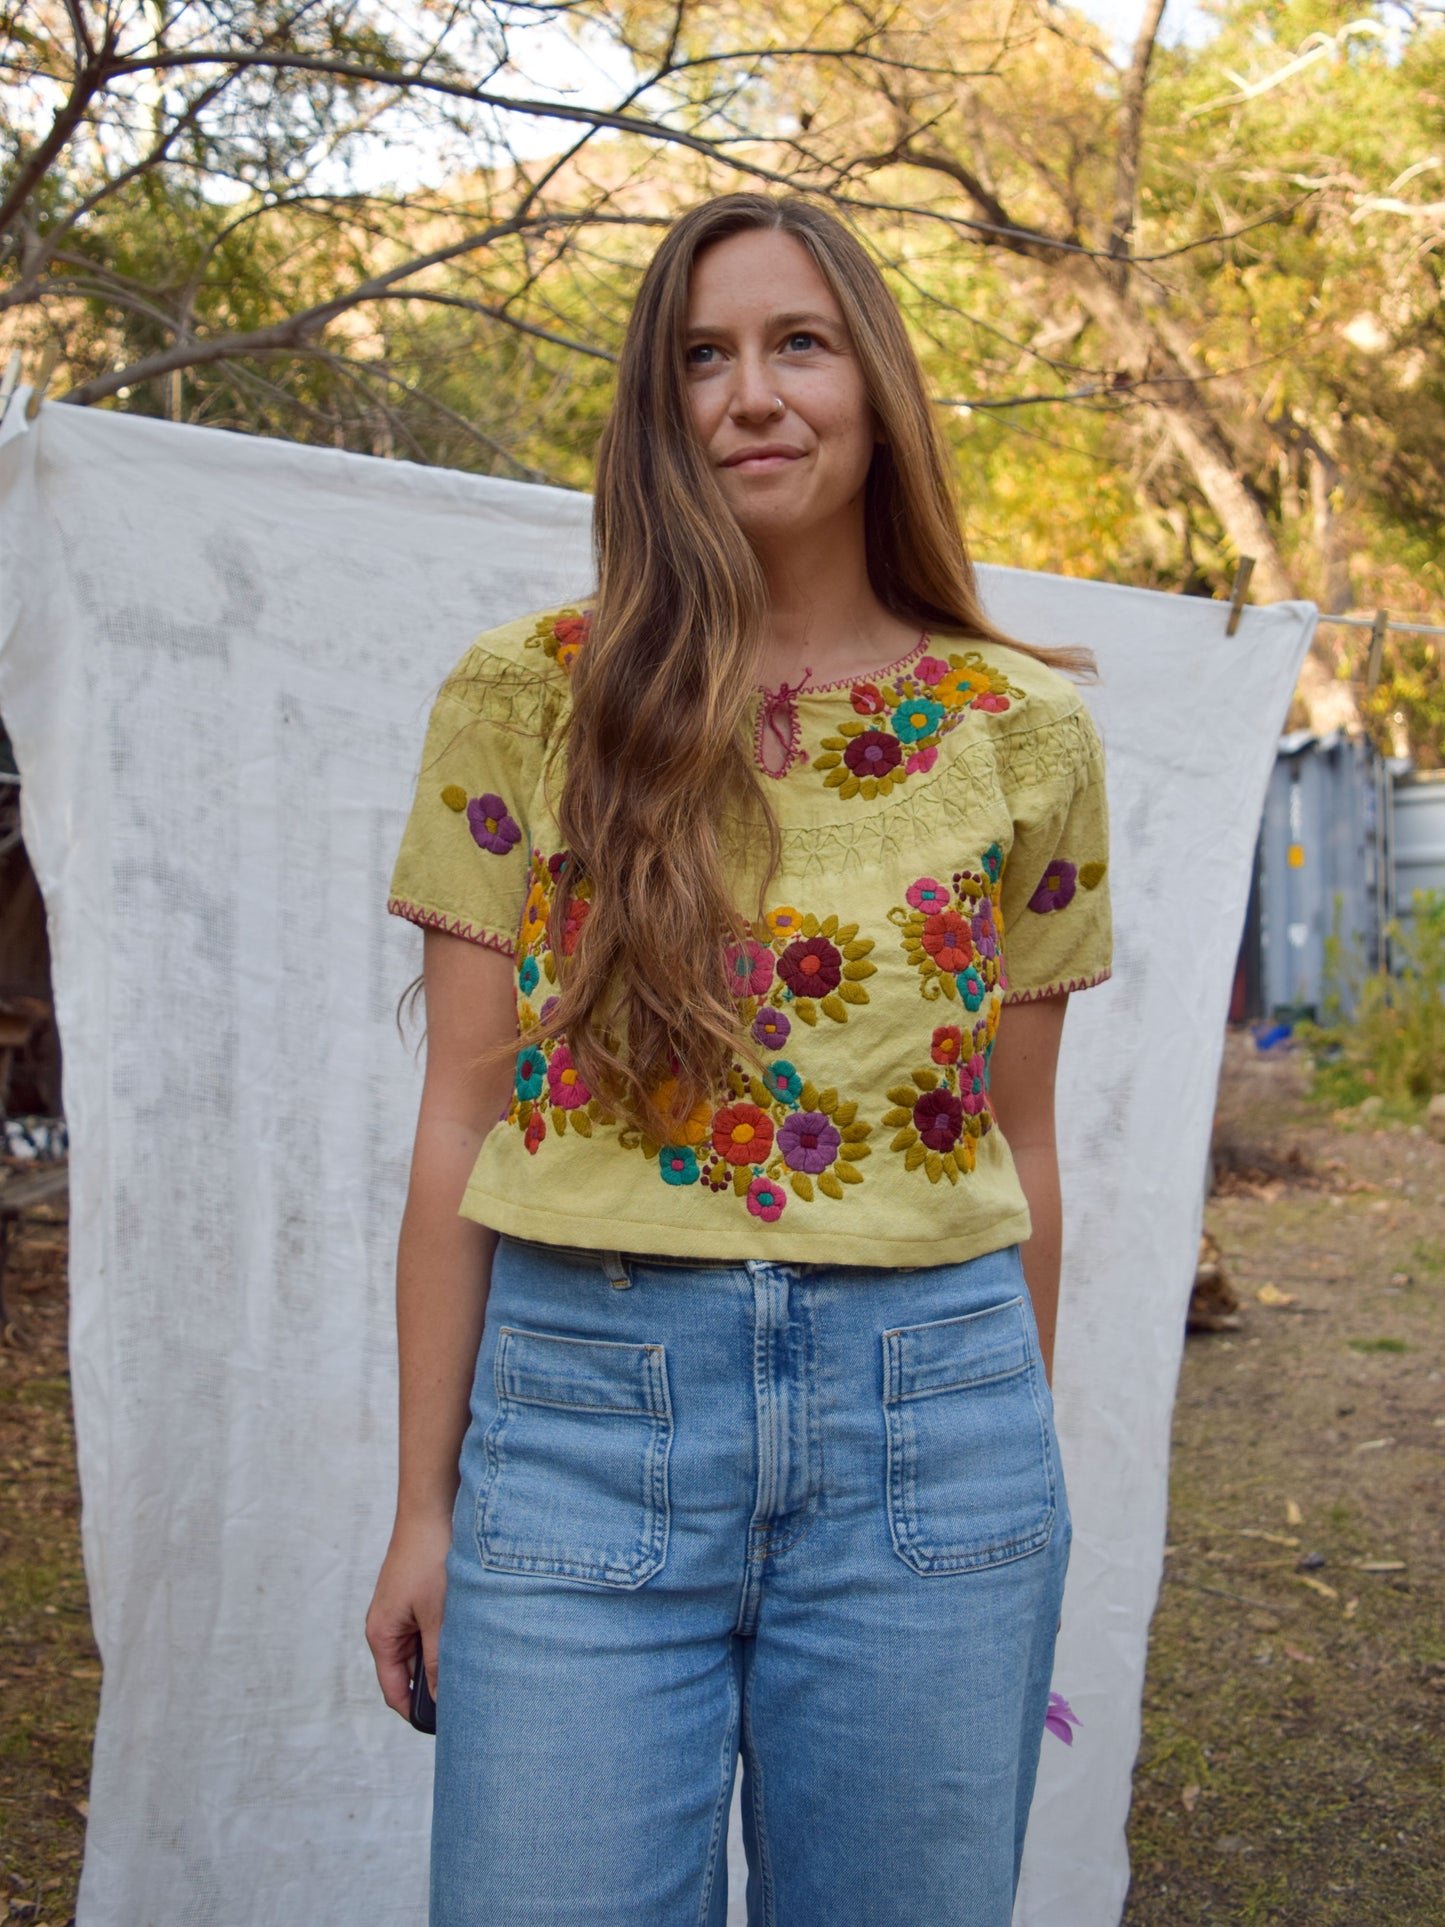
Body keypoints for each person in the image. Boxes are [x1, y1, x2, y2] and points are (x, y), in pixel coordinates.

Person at [366, 191, 1112, 1926]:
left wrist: (1023, 1482)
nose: (749, 394)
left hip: (935, 1433)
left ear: (876, 385)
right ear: (656, 408)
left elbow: (1025, 1149)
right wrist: (420, 1508)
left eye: (798, 343)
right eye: (701, 357)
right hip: (575, 1426)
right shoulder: (529, 699)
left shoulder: (1023, 734)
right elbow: (456, 1120)